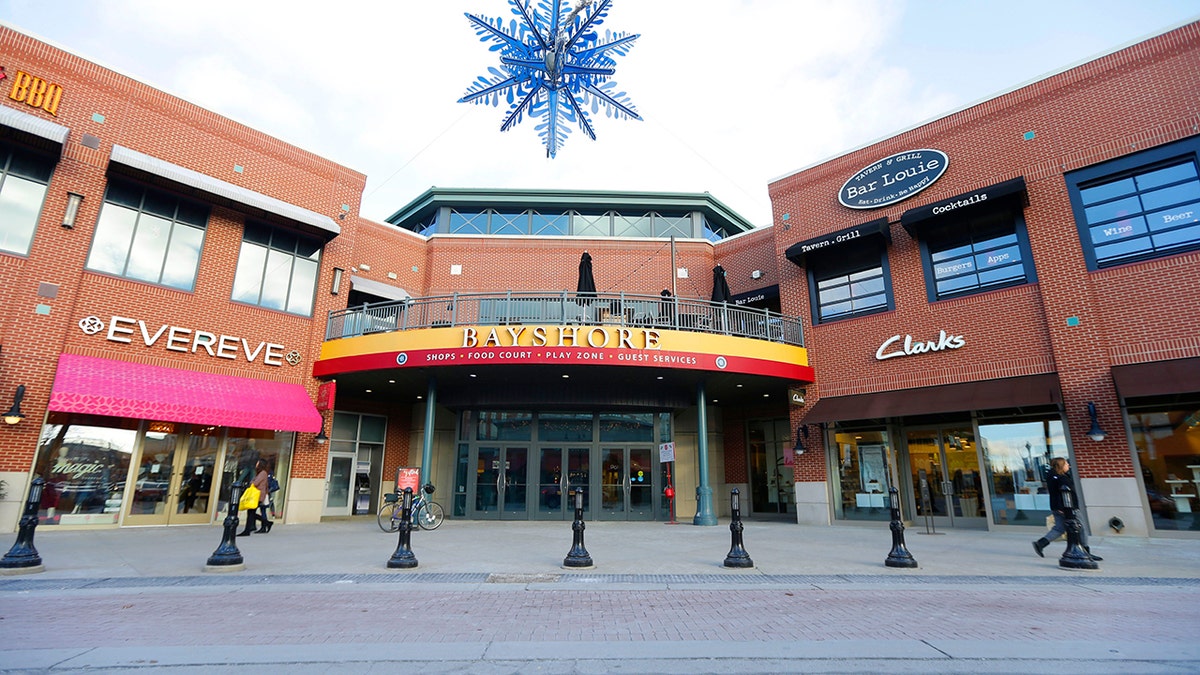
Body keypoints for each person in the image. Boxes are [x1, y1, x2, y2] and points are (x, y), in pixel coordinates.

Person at [1032, 457, 1101, 560]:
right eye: (1066, 464)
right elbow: (1060, 494)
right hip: (1068, 508)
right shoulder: (1061, 478)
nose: (1068, 465)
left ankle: (1041, 543)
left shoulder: (1052, 477)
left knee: (1059, 528)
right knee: (1081, 528)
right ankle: (1085, 551)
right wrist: (1064, 508)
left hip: (1057, 507)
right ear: (1061, 465)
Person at [239, 460, 272, 536]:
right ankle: (267, 523)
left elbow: (255, 483)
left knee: (251, 512)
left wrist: (251, 481)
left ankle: (247, 531)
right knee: (251, 513)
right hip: (257, 495)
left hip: (257, 495)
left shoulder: (263, 473)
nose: (256, 464)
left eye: (257, 463)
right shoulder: (260, 473)